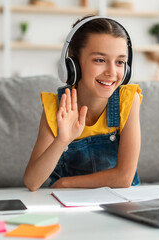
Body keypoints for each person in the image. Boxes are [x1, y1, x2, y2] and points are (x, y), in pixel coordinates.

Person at [24, 15, 142, 191]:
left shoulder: (128, 99)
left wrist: (65, 183)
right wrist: (62, 140)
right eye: (100, 60)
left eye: (120, 62)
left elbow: (124, 177)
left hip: (117, 202)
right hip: (68, 204)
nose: (112, 72)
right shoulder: (56, 106)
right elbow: (32, 182)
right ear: (73, 64)